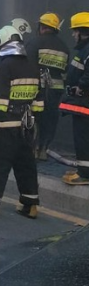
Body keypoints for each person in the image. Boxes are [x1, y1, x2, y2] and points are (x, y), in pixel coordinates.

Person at [0, 25, 43, 219]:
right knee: (26, 165)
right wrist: (33, 122)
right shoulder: (33, 65)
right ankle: (30, 206)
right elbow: (38, 101)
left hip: (5, 126)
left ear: (0, 42)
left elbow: (0, 101)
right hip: (26, 127)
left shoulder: (5, 66)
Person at [24, 13, 69, 160]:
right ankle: (43, 149)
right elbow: (65, 72)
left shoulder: (34, 42)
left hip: (38, 89)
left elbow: (26, 65)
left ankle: (32, 148)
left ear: (42, 27)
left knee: (33, 117)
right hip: (56, 91)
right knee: (50, 119)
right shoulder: (64, 47)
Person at [59, 12, 89, 185]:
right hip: (82, 103)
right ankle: (83, 170)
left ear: (82, 31)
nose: (72, 35)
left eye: (74, 31)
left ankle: (85, 174)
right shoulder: (84, 49)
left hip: (85, 102)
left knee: (83, 137)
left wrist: (82, 87)